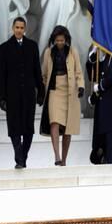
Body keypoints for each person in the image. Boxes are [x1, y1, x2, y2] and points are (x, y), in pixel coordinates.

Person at [0, 17, 45, 168]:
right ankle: (19, 159)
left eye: (21, 28)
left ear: (25, 29)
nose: (19, 30)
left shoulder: (32, 46)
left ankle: (22, 157)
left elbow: (37, 71)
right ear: (13, 28)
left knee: (28, 129)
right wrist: (2, 98)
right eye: (16, 27)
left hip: (29, 95)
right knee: (14, 128)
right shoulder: (4, 48)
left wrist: (41, 92)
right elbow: (1, 75)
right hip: (12, 96)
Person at [39, 25, 85, 166]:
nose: (59, 42)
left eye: (62, 40)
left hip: (69, 91)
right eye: (57, 40)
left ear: (66, 40)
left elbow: (78, 71)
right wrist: (41, 92)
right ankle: (57, 157)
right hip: (54, 90)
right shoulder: (48, 52)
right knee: (54, 122)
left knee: (67, 129)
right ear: (54, 40)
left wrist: (81, 86)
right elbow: (44, 75)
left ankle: (64, 160)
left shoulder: (73, 52)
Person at [86, 46, 112, 164]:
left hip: (110, 100)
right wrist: (92, 57)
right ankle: (105, 160)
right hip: (102, 102)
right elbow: (93, 74)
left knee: (110, 130)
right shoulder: (104, 59)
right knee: (101, 133)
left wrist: (101, 86)